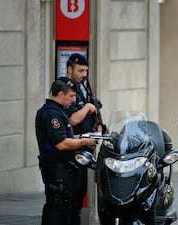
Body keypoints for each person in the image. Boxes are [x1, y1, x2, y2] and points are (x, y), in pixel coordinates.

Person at [35, 80, 97, 225]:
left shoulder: (58, 111)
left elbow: (66, 137)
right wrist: (83, 142)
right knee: (58, 209)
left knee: (63, 207)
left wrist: (84, 136)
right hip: (57, 170)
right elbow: (62, 143)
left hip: (63, 169)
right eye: (71, 96)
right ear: (61, 94)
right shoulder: (52, 114)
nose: (74, 100)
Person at [57, 53, 102, 224]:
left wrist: (95, 127)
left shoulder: (81, 88)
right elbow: (74, 118)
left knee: (78, 197)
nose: (84, 74)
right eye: (80, 70)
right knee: (71, 199)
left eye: (86, 71)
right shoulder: (66, 87)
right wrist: (89, 107)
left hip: (83, 149)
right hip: (73, 150)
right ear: (70, 69)